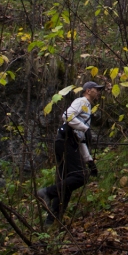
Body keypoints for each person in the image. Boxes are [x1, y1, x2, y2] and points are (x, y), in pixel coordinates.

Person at [37, 81, 104, 226]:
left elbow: (81, 138)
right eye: (96, 89)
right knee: (80, 176)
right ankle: (46, 193)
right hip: (66, 141)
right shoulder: (82, 101)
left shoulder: (88, 107)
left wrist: (89, 161)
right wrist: (86, 128)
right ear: (87, 90)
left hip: (68, 142)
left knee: (65, 184)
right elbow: (67, 116)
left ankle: (51, 222)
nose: (98, 92)